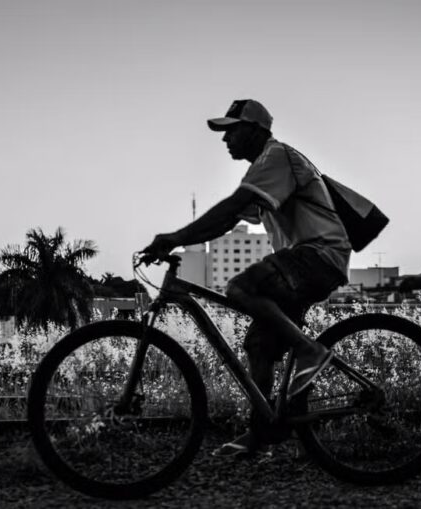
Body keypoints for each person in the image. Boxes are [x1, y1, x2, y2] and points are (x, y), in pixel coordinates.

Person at [142, 99, 351, 456]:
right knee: (259, 346)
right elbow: (229, 217)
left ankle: (309, 351)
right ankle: (261, 435)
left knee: (240, 287)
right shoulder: (265, 167)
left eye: (231, 131)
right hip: (304, 262)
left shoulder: (276, 157)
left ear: (255, 130)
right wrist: (181, 238)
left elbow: (232, 205)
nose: (225, 140)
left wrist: (175, 238)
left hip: (318, 257)